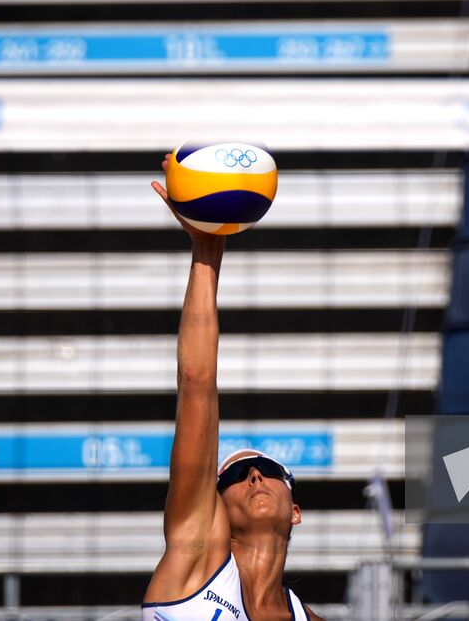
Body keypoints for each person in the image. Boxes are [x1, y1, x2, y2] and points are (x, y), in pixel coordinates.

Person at [142, 157, 325, 621]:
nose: (255, 477)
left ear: (296, 511)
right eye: (234, 478)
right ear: (213, 510)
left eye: (265, 469)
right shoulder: (195, 565)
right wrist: (207, 251)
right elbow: (198, 384)